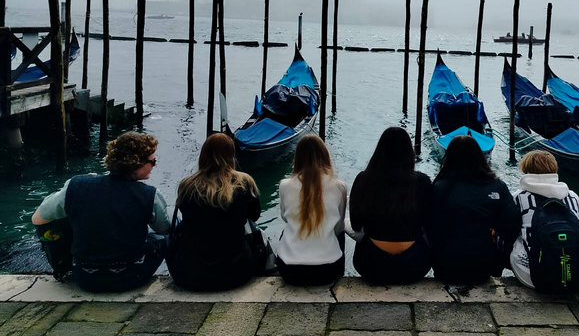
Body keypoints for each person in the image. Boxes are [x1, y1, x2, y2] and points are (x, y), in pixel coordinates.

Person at [31, 132, 170, 292]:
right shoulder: (150, 195)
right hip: (130, 278)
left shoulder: (76, 185)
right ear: (137, 163)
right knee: (161, 238)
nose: (155, 166)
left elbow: (37, 219)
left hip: (84, 278)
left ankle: (64, 267)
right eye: (153, 162)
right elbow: (164, 229)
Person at [166, 133, 265, 291]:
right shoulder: (244, 181)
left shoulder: (186, 185)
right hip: (236, 272)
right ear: (231, 155)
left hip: (189, 275)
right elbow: (254, 215)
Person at [429, 135, 521, 284]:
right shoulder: (497, 186)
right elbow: (513, 224)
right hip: (484, 266)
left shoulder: (439, 187)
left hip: (445, 265)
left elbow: (429, 224)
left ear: (449, 157)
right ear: (480, 157)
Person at [349, 127, 434, 284]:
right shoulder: (422, 181)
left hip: (371, 264)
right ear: (409, 153)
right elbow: (430, 224)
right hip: (414, 264)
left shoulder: (364, 179)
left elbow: (356, 224)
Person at [273, 134, 347, 285]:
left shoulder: (284, 185)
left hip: (290, 270)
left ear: (298, 158)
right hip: (329, 270)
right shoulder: (339, 186)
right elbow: (339, 227)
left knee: (287, 229)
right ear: (325, 156)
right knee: (339, 232)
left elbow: (285, 218)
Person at [509, 151, 579, 288]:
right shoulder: (573, 197)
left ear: (527, 171)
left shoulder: (518, 197)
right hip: (573, 274)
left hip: (532, 276)